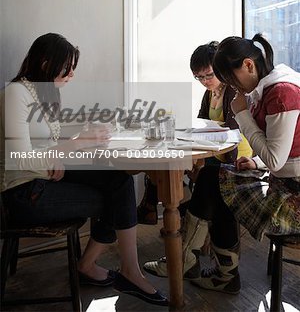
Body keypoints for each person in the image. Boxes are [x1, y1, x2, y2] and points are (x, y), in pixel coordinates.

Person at [0, 33, 168, 307]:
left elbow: (46, 141)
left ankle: (114, 269)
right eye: (68, 68)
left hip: (41, 178)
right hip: (22, 194)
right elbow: (20, 159)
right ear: (45, 64)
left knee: (117, 179)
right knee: (115, 200)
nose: (71, 74)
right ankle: (109, 269)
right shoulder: (16, 94)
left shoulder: (40, 93)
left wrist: (81, 135)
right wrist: (76, 143)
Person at [164, 32, 299, 295]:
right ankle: (203, 265)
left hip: (292, 197)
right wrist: (257, 162)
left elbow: (277, 159)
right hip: (285, 182)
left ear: (248, 65)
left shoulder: (282, 93)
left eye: (230, 80)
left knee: (217, 183)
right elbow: (282, 152)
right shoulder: (274, 88)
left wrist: (242, 115)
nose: (233, 88)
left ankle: (196, 263)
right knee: (215, 179)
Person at [142, 41, 253, 278]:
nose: (205, 81)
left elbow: (232, 140)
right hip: (215, 156)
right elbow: (202, 125)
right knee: (163, 167)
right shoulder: (210, 93)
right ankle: (183, 242)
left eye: (209, 74)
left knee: (203, 180)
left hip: (236, 160)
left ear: (221, 68)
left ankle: (180, 247)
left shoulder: (232, 92)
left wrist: (204, 165)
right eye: (198, 77)